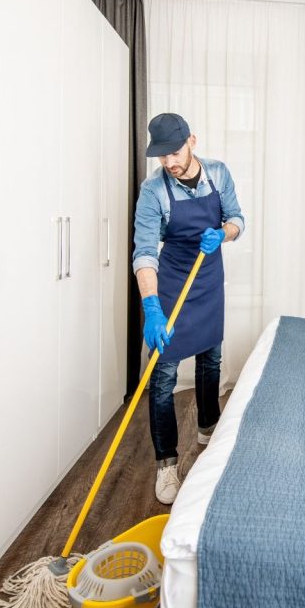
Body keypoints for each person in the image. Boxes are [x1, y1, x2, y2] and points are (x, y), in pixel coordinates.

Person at [133, 112, 244, 504]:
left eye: (175, 152)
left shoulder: (218, 173)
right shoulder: (153, 191)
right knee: (163, 373)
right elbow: (145, 253)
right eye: (162, 156)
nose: (169, 162)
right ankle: (166, 462)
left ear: (192, 141)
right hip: (173, 279)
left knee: (210, 359)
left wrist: (223, 234)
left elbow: (237, 219)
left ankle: (208, 428)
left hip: (208, 277)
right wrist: (152, 307)